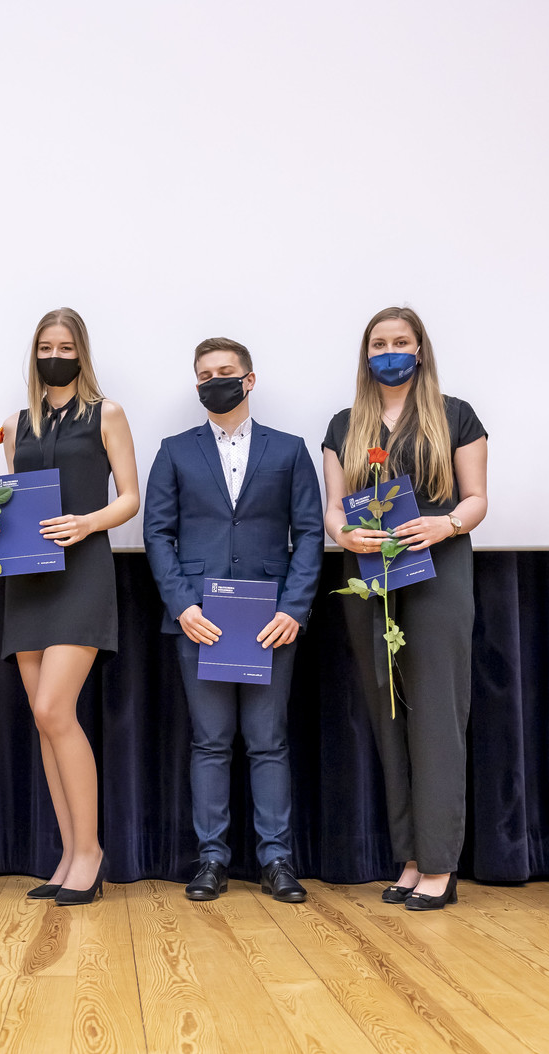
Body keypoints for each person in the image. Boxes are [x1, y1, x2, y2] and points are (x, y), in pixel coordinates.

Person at [143, 337, 324, 904]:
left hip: (270, 621)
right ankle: (211, 860)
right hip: (199, 620)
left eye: (224, 371)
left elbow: (310, 534)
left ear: (249, 379)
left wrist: (293, 608)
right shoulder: (174, 451)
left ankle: (276, 860)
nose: (213, 381)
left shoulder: (290, 450)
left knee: (268, 741)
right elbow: (157, 534)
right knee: (210, 741)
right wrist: (183, 606)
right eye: (204, 375)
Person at [321, 307, 488, 911]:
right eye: (378, 343)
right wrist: (345, 534)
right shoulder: (344, 424)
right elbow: (334, 508)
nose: (388, 351)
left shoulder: (456, 415)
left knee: (436, 715)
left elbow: (477, 499)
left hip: (437, 572)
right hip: (369, 576)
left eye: (400, 341)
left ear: (420, 350)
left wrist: (446, 525)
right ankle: (411, 858)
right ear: (366, 355)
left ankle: (440, 863)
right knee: (387, 714)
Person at [0, 308, 140, 906]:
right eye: (46, 346)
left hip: (83, 573)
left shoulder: (107, 413)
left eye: (65, 347)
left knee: (54, 709)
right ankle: (69, 855)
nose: (54, 355)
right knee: (44, 720)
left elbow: (130, 497)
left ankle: (90, 853)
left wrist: (88, 522)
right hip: (28, 579)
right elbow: (14, 504)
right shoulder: (16, 424)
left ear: (81, 352)